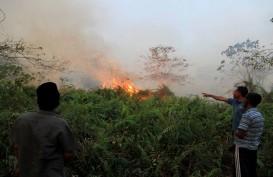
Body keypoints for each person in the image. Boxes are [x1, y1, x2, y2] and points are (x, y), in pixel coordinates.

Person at [10, 82, 80, 177]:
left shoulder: (22, 119)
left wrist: (21, 166)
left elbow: (16, 147)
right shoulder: (59, 124)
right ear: (57, 101)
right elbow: (68, 154)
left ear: (38, 100)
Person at [233, 93, 264, 177]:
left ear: (247, 101)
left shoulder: (247, 115)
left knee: (240, 173)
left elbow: (240, 134)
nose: (243, 101)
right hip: (253, 148)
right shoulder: (259, 115)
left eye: (245, 99)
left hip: (243, 149)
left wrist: (236, 132)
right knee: (250, 171)